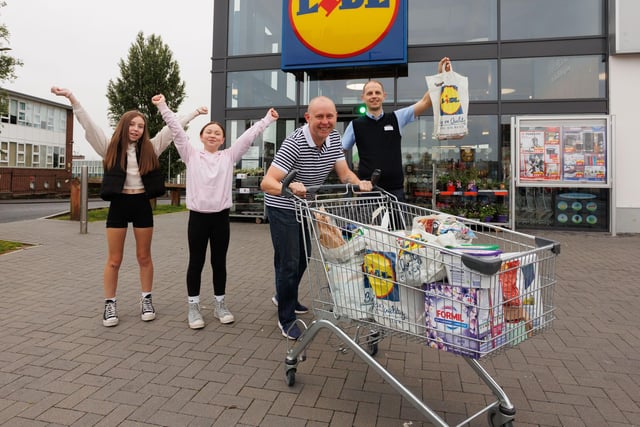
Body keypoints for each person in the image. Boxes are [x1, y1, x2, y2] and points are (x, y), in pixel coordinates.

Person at [50, 86, 207, 327]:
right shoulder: (109, 147)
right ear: (124, 126)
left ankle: (146, 300)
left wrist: (194, 113)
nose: (136, 129)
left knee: (144, 257)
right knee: (114, 259)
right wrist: (72, 98)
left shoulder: (151, 148)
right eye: (132, 125)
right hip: (119, 205)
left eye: (141, 126)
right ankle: (110, 304)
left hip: (141, 204)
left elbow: (171, 129)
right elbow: (89, 126)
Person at [152, 93, 279, 329]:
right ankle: (193, 307)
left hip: (221, 219)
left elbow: (248, 137)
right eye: (208, 131)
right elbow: (176, 130)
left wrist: (267, 120)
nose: (212, 134)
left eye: (217, 133)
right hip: (198, 218)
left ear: (222, 140)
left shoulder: (228, 156)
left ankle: (220, 304)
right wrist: (162, 106)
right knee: (196, 262)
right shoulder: (190, 154)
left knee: (219, 262)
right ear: (201, 137)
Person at [260, 96, 373, 340]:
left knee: (302, 258)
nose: (325, 121)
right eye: (319, 116)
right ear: (308, 118)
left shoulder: (333, 140)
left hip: (305, 207)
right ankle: (287, 318)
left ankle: (283, 294)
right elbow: (267, 182)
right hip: (282, 205)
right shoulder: (295, 143)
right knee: (289, 261)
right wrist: (290, 188)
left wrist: (359, 182)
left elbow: (344, 174)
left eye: (329, 116)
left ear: (335, 118)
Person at [342, 57, 452, 202]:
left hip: (395, 193)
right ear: (363, 98)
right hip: (367, 192)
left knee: (396, 226)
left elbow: (425, 102)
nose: (374, 96)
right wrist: (355, 181)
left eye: (377, 92)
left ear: (383, 96)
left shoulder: (396, 118)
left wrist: (441, 77)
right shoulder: (355, 125)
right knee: (368, 226)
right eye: (369, 93)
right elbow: (338, 154)